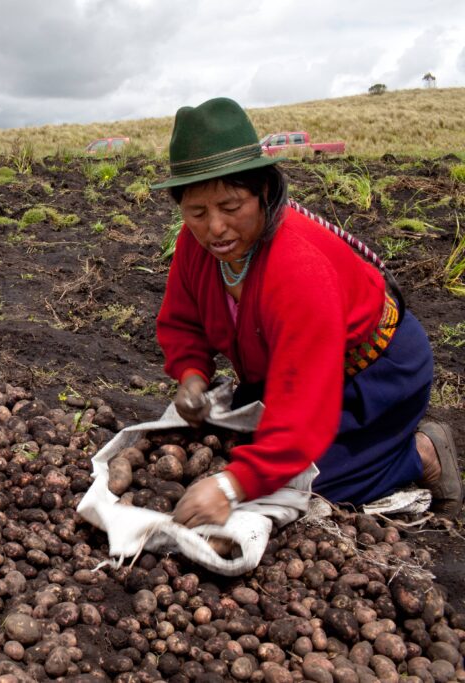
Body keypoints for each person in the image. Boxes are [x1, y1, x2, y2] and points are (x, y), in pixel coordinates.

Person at [149, 97, 462, 528]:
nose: (214, 228)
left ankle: (421, 452)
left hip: (374, 375)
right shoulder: (195, 244)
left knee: (306, 486)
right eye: (197, 212)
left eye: (231, 207)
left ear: (262, 193)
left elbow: (302, 405)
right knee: (233, 446)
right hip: (291, 370)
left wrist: (230, 487)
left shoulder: (296, 268)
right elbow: (182, 321)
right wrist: (191, 375)